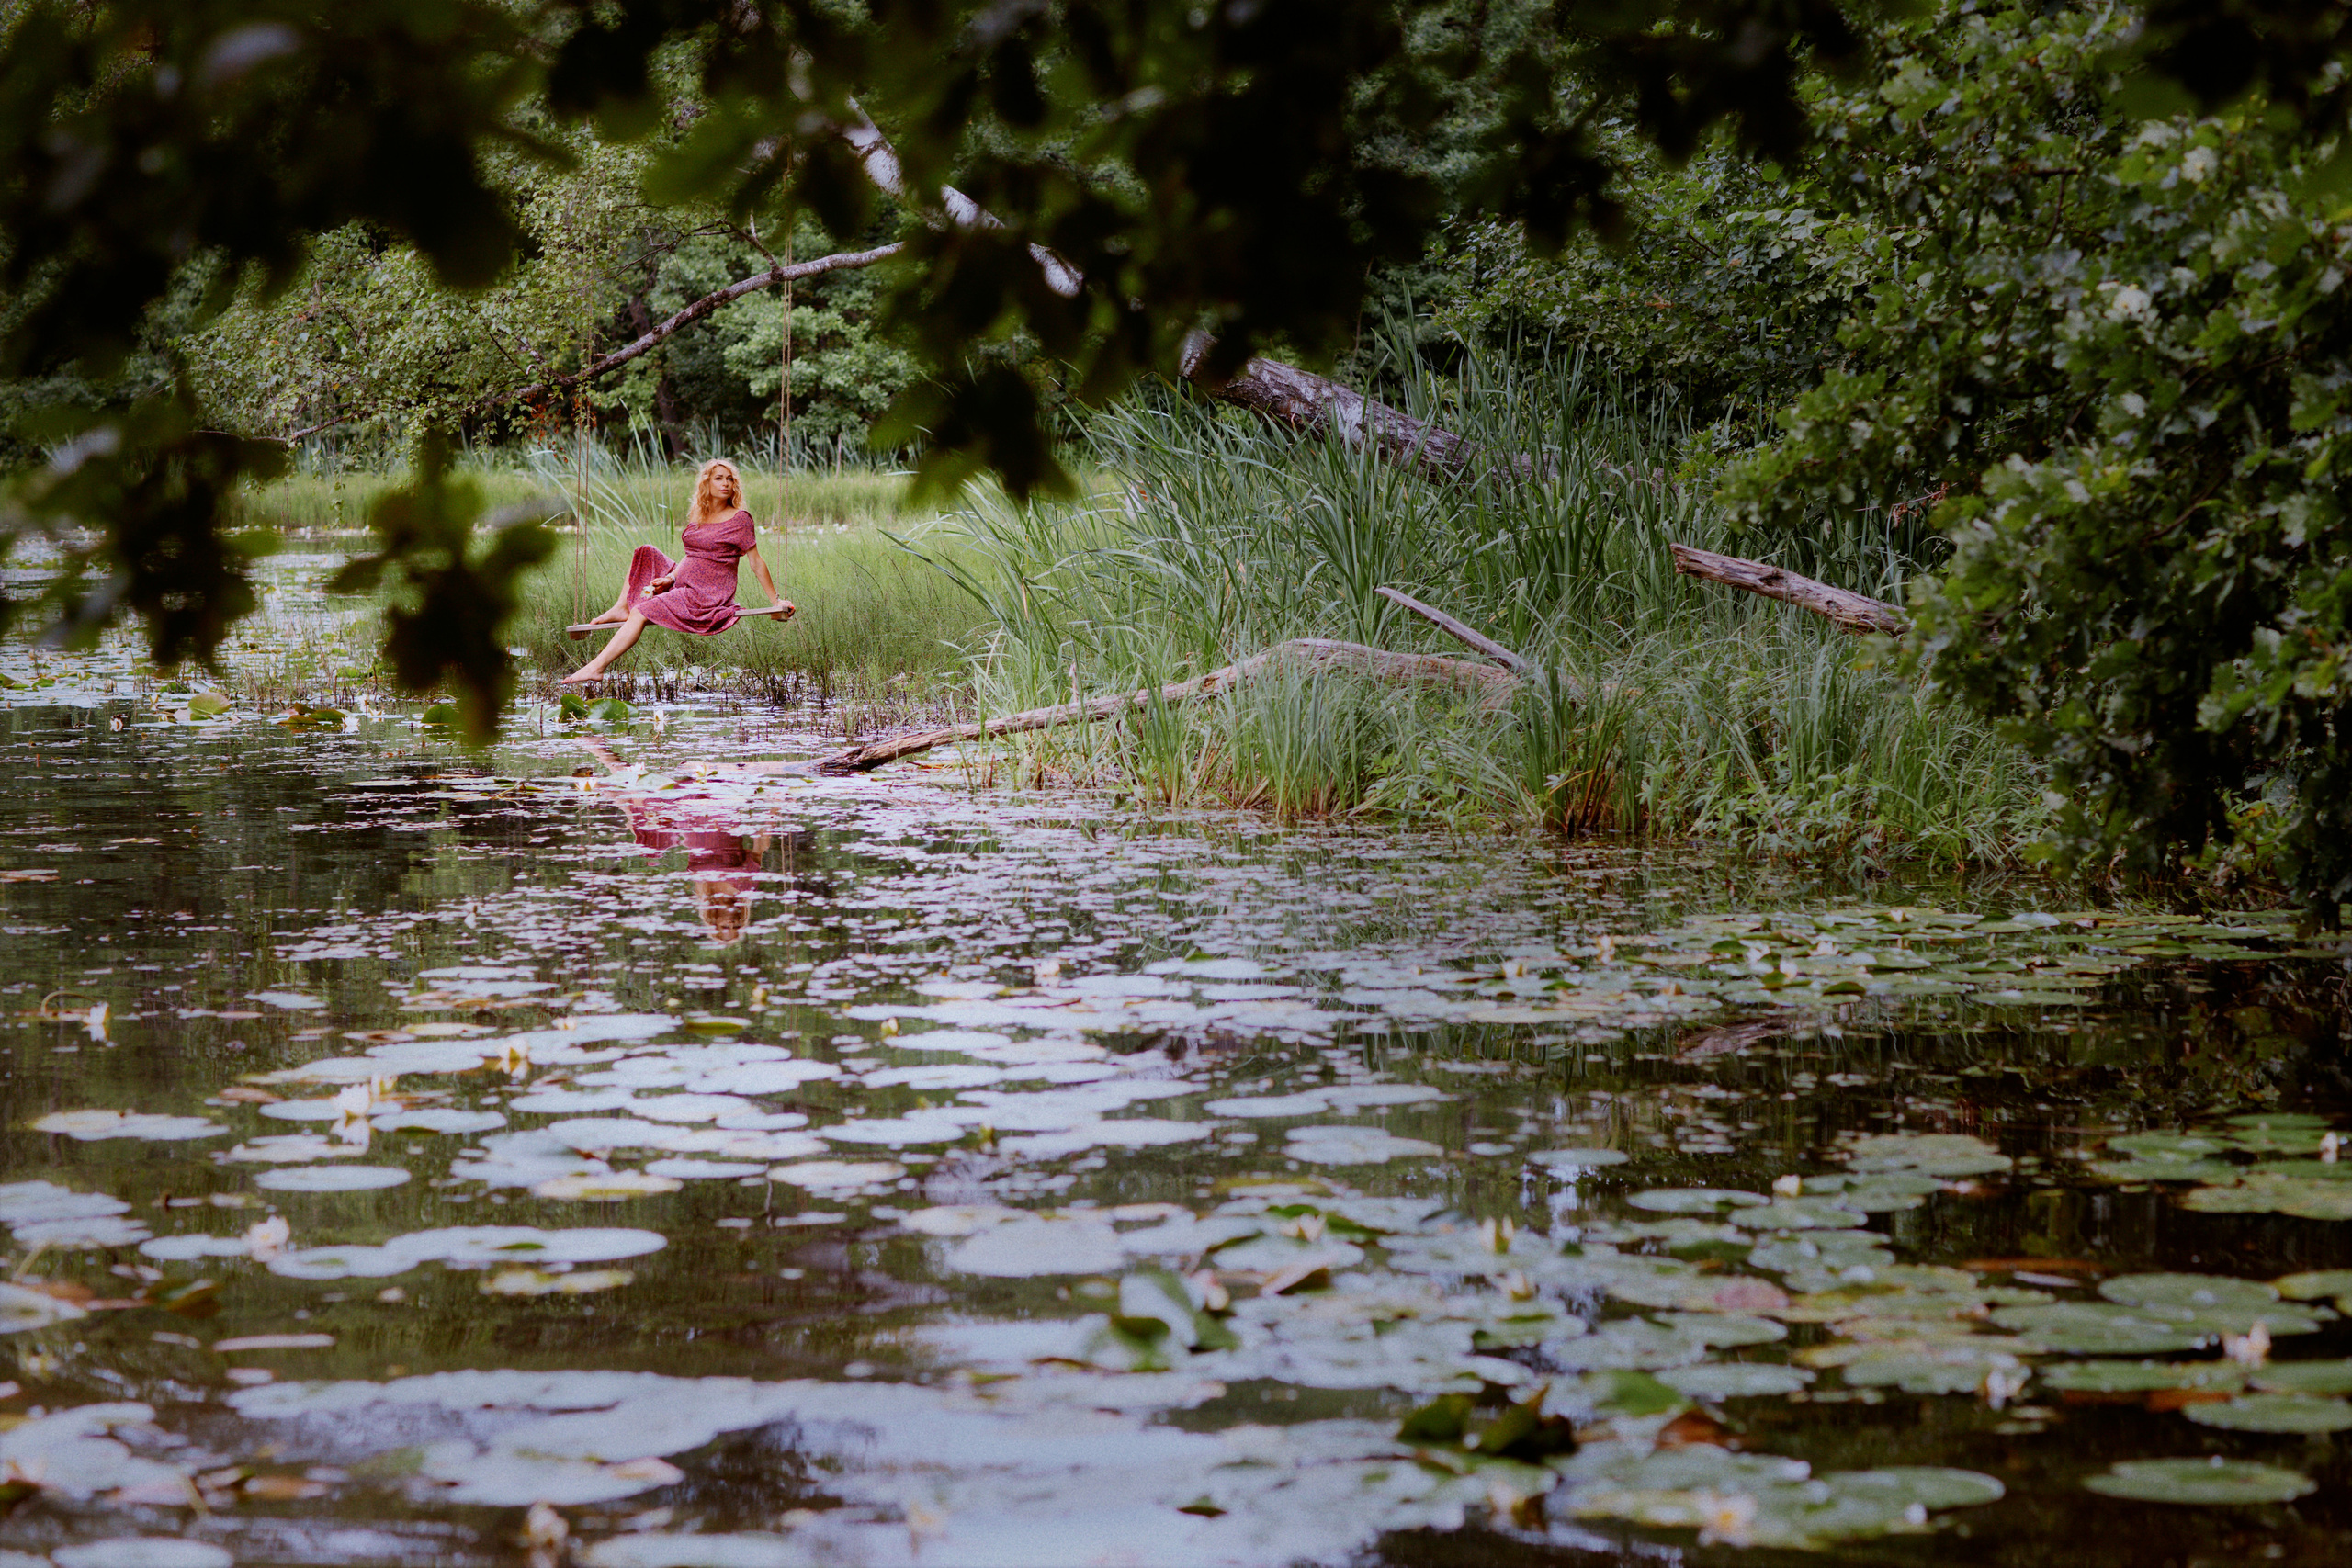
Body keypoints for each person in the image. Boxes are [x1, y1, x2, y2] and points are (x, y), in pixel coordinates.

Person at [561, 457, 792, 683]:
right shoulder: (699, 515)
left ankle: (595, 667)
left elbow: (756, 562)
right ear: (706, 484)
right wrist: (671, 577)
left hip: (705, 593)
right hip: (682, 581)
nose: (725, 484)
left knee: (641, 611)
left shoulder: (739, 519)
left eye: (730, 479)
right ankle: (622, 607)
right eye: (719, 478)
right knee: (646, 552)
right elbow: (692, 556)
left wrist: (776, 601)